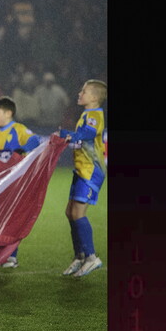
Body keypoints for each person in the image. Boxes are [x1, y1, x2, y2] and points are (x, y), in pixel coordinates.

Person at [57, 79, 107, 278]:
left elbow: (87, 133)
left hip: (91, 172)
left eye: (84, 91)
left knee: (78, 213)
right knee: (70, 212)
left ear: (94, 97)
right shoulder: (86, 114)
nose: (80, 93)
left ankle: (92, 257)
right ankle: (80, 256)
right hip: (80, 171)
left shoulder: (95, 115)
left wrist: (69, 134)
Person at [0, 95, 41, 268]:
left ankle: (12, 256)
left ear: (9, 113)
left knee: (12, 219)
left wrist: (23, 149)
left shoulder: (18, 129)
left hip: (16, 183)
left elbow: (35, 140)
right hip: (0, 183)